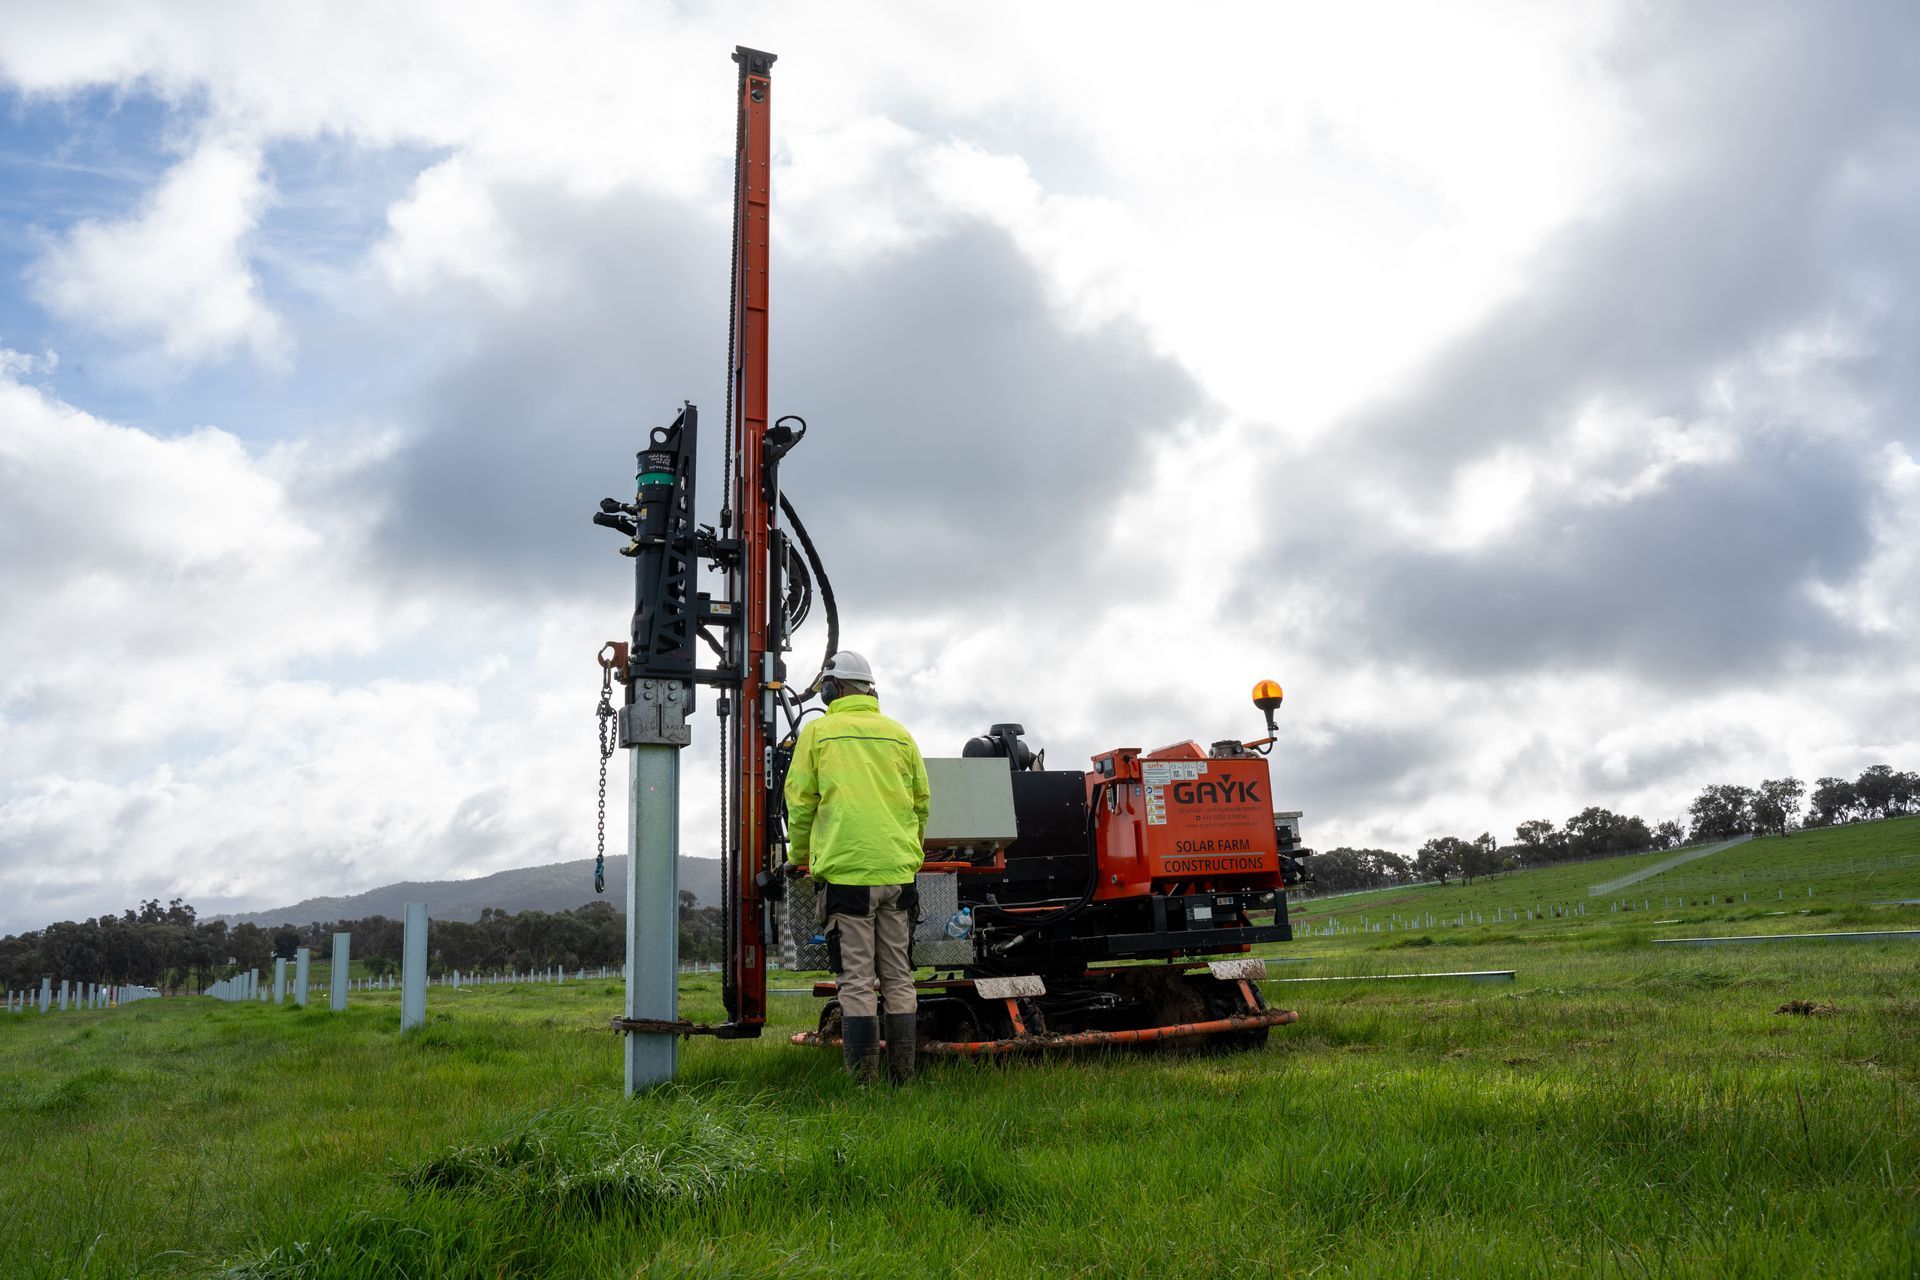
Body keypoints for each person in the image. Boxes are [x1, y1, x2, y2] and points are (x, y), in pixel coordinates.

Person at [783, 650, 931, 1084]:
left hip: (847, 879)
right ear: (869, 688)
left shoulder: (819, 733)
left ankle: (863, 1083)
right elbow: (922, 804)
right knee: (900, 978)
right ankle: (903, 1079)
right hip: (898, 876)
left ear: (835, 688)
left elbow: (801, 802)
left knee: (856, 982)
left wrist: (799, 857)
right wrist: (910, 855)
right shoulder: (900, 735)